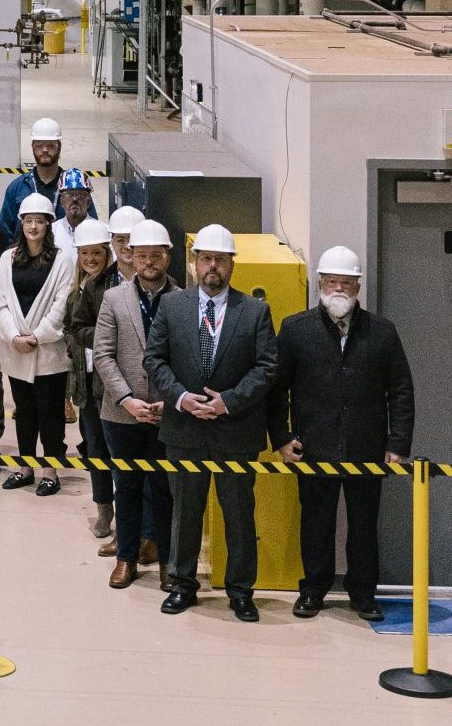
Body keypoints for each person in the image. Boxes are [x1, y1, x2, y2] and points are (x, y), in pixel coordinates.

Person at [143, 224, 281, 622]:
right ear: (194, 263)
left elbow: (267, 367)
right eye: (206, 259)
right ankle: (183, 584)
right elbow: (155, 359)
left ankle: (240, 591)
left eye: (220, 259)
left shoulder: (254, 311)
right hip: (184, 429)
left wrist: (228, 403)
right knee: (185, 511)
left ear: (231, 265)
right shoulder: (172, 307)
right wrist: (182, 398)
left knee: (238, 514)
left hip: (235, 431)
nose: (213, 267)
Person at [271, 247, 415, 623]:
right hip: (311, 449)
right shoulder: (295, 329)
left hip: (367, 450)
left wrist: (397, 444)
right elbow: (275, 390)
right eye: (332, 281)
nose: (338, 288)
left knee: (365, 526)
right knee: (315, 522)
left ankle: (364, 594)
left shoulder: (382, 332)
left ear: (357, 286)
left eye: (346, 282)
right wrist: (283, 439)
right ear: (320, 283)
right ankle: (313, 590)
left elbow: (400, 390)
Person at [93, 219, 177, 589]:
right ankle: (126, 559)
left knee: (164, 490)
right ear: (132, 257)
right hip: (121, 414)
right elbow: (103, 355)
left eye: (155, 255)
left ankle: (166, 562)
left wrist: (168, 401)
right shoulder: (114, 299)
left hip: (167, 415)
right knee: (125, 487)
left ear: (167, 257)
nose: (147, 262)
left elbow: (188, 358)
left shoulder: (184, 300)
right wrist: (127, 399)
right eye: (141, 255)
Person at [0, 194, 76, 493]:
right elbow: (0, 303)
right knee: (24, 412)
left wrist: (37, 337)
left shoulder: (62, 260)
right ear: (21, 223)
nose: (33, 227)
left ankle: (51, 472)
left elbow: (61, 305)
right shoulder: (7, 258)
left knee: (51, 414)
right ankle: (25, 468)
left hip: (49, 353)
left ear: (48, 225)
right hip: (16, 351)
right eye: (28, 221)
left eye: (39, 221)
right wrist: (14, 336)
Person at [62, 218, 120, 548]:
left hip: (110, 382)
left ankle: (124, 510)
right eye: (85, 254)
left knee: (117, 450)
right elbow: (70, 332)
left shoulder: (113, 288)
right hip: (84, 382)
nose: (91, 260)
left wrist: (93, 338)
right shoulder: (76, 291)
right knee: (95, 449)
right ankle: (103, 510)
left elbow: (111, 334)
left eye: (97, 253)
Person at [0, 118, 68, 224]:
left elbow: (89, 224)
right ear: (32, 148)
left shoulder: (72, 187)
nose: (45, 150)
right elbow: (6, 231)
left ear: (59, 147)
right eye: (39, 145)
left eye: (50, 145)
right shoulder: (17, 188)